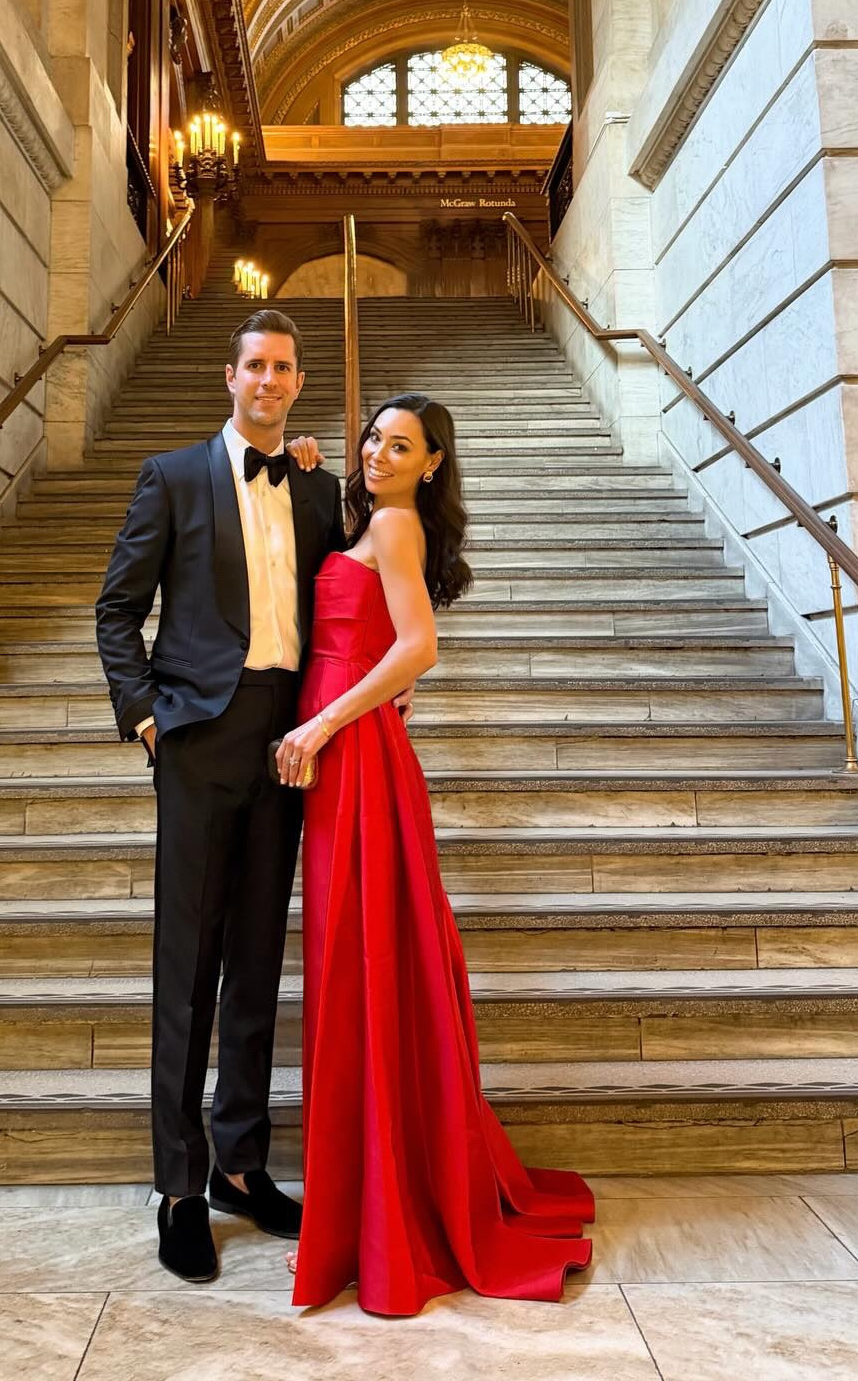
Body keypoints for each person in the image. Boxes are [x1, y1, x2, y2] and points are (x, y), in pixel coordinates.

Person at [274, 393, 595, 1316]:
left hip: (353, 756)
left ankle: (380, 1211)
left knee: (363, 961)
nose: (378, 452)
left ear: (432, 463)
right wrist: (304, 467)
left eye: (401, 444)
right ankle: (370, 1198)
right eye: (373, 436)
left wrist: (323, 724)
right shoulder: (371, 518)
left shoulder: (394, 523)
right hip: (352, 754)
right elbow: (383, 637)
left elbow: (421, 645)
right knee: (356, 962)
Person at [95, 309, 347, 1284]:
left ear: (297, 381)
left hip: (287, 740)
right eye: (256, 365)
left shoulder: (317, 485)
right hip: (200, 737)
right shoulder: (171, 477)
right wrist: (146, 716)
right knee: (188, 967)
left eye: (284, 367)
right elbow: (118, 609)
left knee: (255, 961)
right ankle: (178, 1187)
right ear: (229, 377)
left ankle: (240, 1165)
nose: (270, 380)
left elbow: (350, 591)